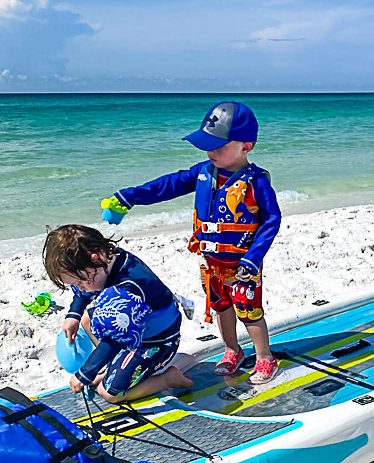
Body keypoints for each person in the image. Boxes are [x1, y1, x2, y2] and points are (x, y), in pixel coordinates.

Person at [101, 101, 282, 384]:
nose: (210, 152)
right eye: (207, 145)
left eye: (218, 147)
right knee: (221, 307)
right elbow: (167, 185)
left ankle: (265, 358)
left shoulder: (256, 181)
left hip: (243, 264)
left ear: (246, 147)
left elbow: (271, 220)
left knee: (249, 310)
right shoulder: (202, 172)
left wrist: (253, 257)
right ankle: (233, 350)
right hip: (211, 262)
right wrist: (128, 197)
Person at [44, 225, 192, 401]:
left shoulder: (128, 287)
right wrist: (73, 314)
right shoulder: (107, 260)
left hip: (157, 342)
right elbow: (84, 292)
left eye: (81, 282)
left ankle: (168, 379)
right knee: (86, 319)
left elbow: (115, 339)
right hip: (133, 328)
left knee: (108, 394)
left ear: (96, 259)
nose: (80, 288)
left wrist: (85, 374)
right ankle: (112, 367)